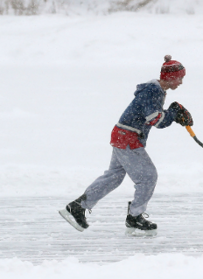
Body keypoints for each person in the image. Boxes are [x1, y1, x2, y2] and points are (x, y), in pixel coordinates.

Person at [59, 55, 194, 235]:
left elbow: (155, 116)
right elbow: (156, 120)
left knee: (114, 176)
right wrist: (173, 113)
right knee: (148, 177)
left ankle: (77, 207)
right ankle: (134, 216)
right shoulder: (152, 91)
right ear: (170, 77)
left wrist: (172, 113)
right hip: (128, 137)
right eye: (179, 78)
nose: (181, 82)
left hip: (122, 134)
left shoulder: (155, 90)